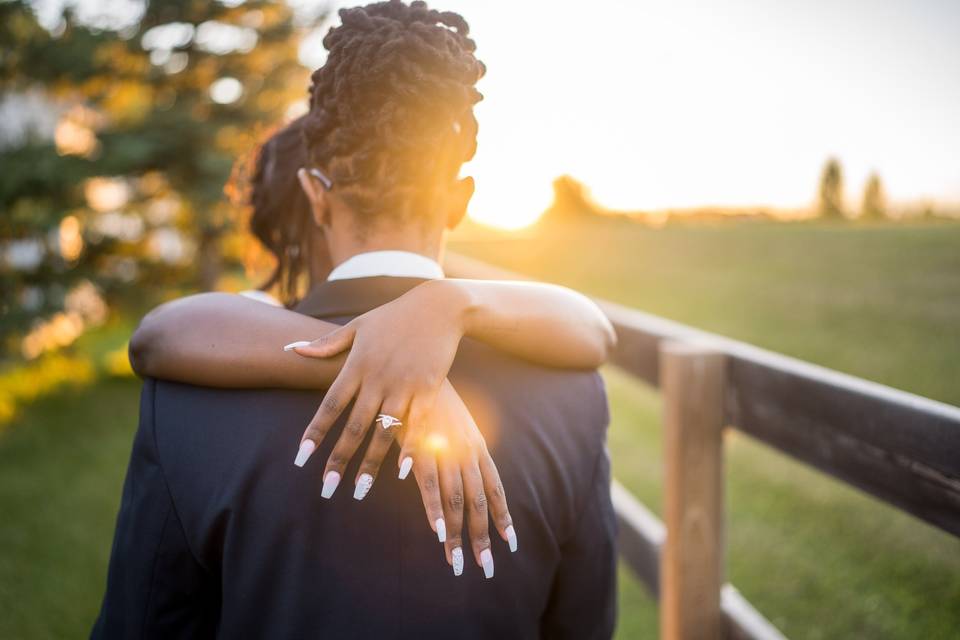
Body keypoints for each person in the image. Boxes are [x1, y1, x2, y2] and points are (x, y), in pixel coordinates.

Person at [93, 2, 617, 638]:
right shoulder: (572, 392)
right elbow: (584, 627)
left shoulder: (188, 398)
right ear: (461, 200)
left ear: (315, 195)